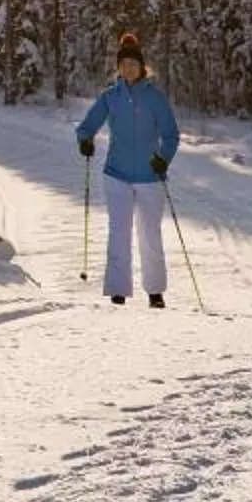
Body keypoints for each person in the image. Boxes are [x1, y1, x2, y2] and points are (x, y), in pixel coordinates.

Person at [76, 30, 180, 307]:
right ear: (119, 68)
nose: (129, 69)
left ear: (142, 67)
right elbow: (87, 125)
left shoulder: (155, 97)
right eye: (124, 65)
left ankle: (155, 292)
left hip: (150, 176)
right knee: (118, 232)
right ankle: (118, 291)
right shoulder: (110, 97)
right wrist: (84, 140)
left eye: (133, 64)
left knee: (150, 234)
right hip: (117, 174)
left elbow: (171, 134)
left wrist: (163, 158)